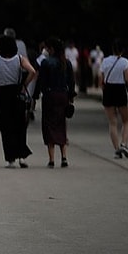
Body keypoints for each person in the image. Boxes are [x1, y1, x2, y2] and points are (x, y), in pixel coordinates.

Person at [0, 35, 36, 168]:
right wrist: (24, 85)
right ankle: (22, 157)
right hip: (17, 93)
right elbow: (32, 71)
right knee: (20, 126)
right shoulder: (20, 59)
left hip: (2, 94)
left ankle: (11, 159)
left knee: (6, 128)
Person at [32, 37, 75, 168]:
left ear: (51, 49)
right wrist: (71, 97)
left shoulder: (46, 63)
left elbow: (41, 82)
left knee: (49, 125)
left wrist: (35, 95)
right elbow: (71, 82)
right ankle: (64, 157)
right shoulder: (66, 63)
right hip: (63, 95)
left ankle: (51, 159)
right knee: (61, 124)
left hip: (50, 96)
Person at [99, 39, 128, 159]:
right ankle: (124, 143)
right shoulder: (125, 62)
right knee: (126, 121)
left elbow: (101, 79)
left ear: (112, 49)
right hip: (120, 90)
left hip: (108, 90)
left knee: (113, 122)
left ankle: (117, 149)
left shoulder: (105, 61)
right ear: (122, 50)